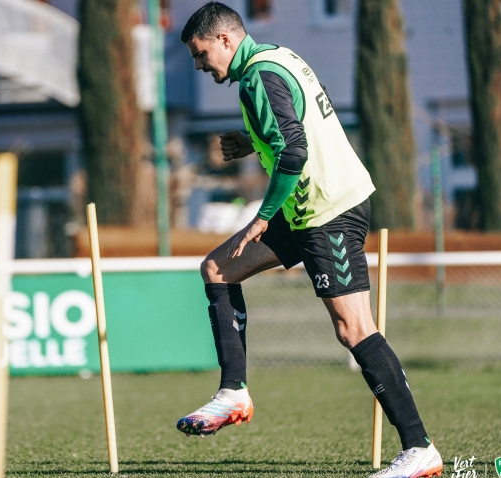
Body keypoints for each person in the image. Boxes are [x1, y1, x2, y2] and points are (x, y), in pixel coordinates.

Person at [176, 3, 443, 478]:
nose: (200, 66)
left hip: (327, 210)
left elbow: (295, 151)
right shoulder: (278, 56)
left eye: (201, 55)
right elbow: (293, 128)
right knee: (217, 269)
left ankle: (419, 448)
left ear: (225, 41)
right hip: (307, 211)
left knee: (354, 328)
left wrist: (262, 216)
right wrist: (250, 139)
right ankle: (233, 391)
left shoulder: (259, 76)